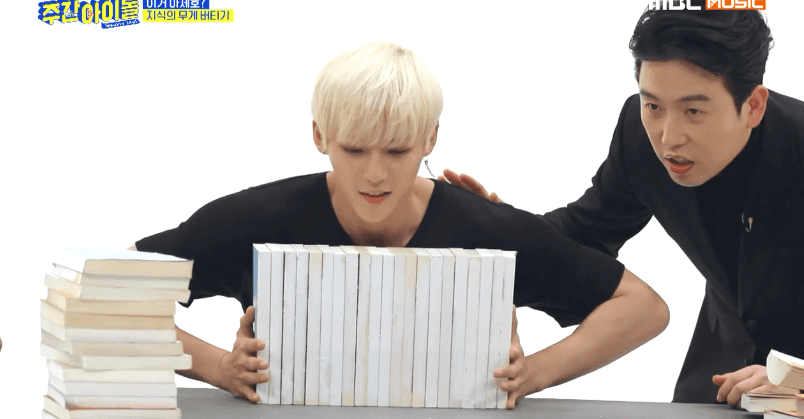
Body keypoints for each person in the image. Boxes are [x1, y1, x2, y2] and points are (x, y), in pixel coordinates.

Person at [130, 41, 668, 408]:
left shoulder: (486, 229)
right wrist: (217, 368)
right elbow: (105, 295)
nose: (375, 173)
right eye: (354, 149)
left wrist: (534, 374)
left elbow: (643, 309)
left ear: (430, 139)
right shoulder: (256, 220)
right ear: (320, 136)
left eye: (397, 150)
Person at [440, 0, 804, 406]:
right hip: (719, 382)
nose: (668, 136)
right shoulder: (639, 134)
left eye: (693, 110)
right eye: (653, 105)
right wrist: (498, 231)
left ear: (753, 105)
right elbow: (587, 231)